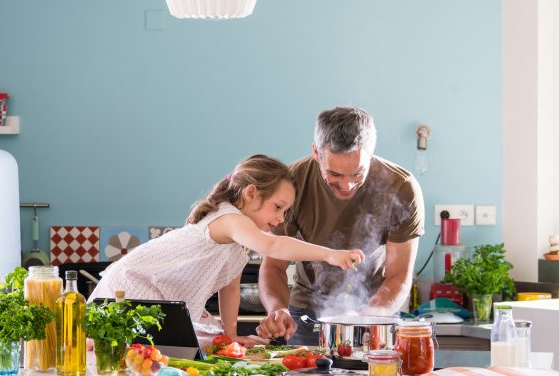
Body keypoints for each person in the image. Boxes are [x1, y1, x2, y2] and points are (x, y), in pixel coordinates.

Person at [88, 154, 364, 349]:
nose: (281, 218)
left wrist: (230, 334)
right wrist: (331, 255)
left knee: (188, 348)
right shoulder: (230, 219)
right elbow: (273, 246)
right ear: (251, 193)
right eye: (278, 207)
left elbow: (229, 288)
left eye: (286, 211)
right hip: (134, 286)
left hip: (160, 299)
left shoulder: (238, 242)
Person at [256, 106, 425, 345]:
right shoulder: (292, 182)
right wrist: (277, 309)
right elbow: (273, 264)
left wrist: (368, 319)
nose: (346, 185)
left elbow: (399, 275)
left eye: (357, 174)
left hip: (375, 312)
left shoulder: (401, 187)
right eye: (334, 174)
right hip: (306, 313)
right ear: (316, 152)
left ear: (371, 153)